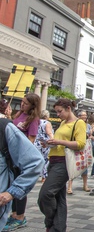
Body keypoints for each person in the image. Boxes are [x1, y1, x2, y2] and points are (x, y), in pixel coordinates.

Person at [37, 98, 87, 232]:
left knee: (45, 195)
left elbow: (80, 144)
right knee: (59, 198)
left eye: (60, 111)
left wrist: (59, 141)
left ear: (68, 109)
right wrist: (49, 143)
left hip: (63, 162)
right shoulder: (64, 122)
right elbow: (61, 141)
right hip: (54, 160)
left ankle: (51, 222)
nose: (58, 115)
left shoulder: (79, 122)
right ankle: (58, 228)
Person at [0, 116, 44, 231]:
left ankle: (19, 216)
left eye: (25, 103)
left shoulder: (5, 127)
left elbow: (34, 161)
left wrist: (12, 192)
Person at [5, 93, 41, 231]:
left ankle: (19, 216)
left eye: (26, 103)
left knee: (20, 188)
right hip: (12, 156)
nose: (22, 104)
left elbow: (31, 140)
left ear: (32, 105)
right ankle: (14, 214)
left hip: (21, 157)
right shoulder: (19, 114)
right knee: (11, 185)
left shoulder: (33, 119)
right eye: (22, 102)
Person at [67, 110, 91, 193]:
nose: (84, 117)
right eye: (83, 115)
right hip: (75, 146)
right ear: (79, 116)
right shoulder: (75, 123)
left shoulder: (88, 125)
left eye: (85, 115)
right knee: (72, 166)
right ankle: (69, 187)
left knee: (84, 167)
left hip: (84, 148)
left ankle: (85, 185)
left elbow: (90, 135)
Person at [34, 110, 54, 183]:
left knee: (36, 160)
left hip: (36, 142)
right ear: (46, 116)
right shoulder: (46, 123)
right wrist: (53, 139)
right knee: (45, 160)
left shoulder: (36, 121)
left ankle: (34, 174)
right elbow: (49, 132)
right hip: (44, 143)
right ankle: (44, 176)